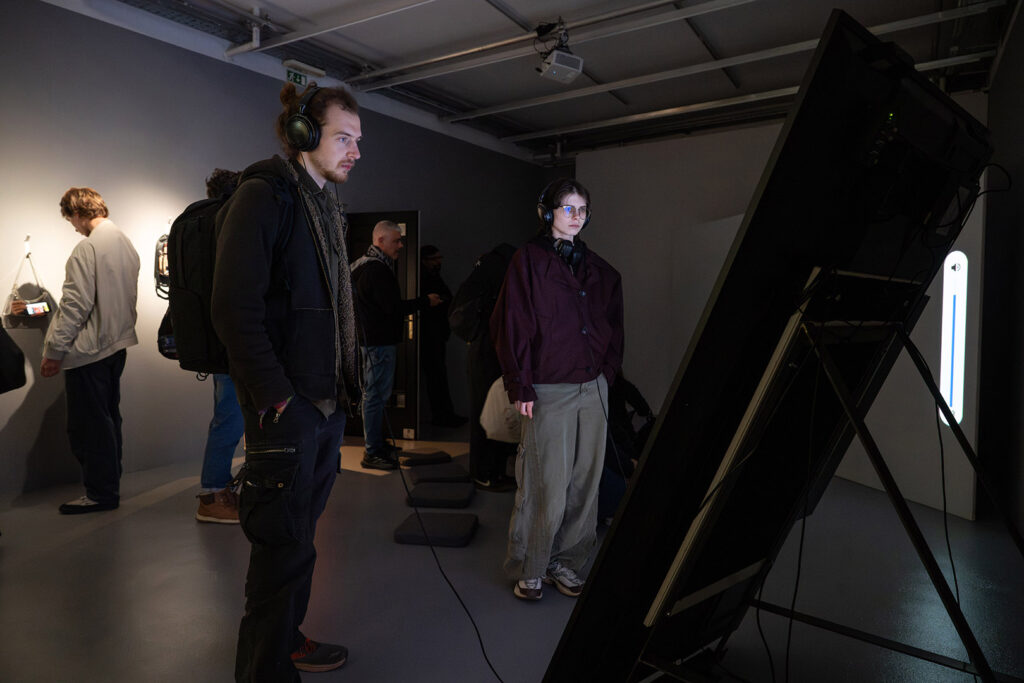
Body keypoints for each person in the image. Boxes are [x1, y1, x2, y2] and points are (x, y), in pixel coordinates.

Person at [211, 82, 360, 680]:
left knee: (298, 544)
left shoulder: (322, 207)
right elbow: (233, 309)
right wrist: (277, 397)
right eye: (344, 138)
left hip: (323, 408)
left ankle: (288, 642)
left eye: (358, 140)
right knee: (280, 554)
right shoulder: (264, 196)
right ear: (304, 134)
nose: (355, 151)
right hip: (288, 411)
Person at [490, 178, 624, 601]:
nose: (576, 216)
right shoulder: (528, 261)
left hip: (593, 388)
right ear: (548, 213)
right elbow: (512, 323)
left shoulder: (600, 269)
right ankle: (531, 566)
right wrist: (521, 384)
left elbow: (614, 325)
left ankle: (566, 561)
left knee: (585, 482)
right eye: (568, 208)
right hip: (549, 388)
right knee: (545, 482)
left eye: (582, 209)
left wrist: (607, 373)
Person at [38, 188, 139, 514]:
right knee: (108, 420)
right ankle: (108, 486)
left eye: (71, 219)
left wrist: (54, 351)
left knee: (89, 426)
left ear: (78, 212)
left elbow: (74, 306)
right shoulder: (124, 243)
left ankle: (100, 494)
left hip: (89, 351)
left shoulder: (88, 248)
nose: (73, 227)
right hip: (116, 346)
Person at [350, 221, 441, 470]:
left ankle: (378, 444)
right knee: (375, 397)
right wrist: (425, 302)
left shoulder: (360, 265)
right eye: (396, 240)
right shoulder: (377, 270)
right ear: (380, 240)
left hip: (368, 342)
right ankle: (372, 452)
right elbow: (392, 308)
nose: (400, 245)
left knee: (375, 395)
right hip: (378, 343)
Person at [448, 243, 518, 491]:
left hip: (486, 350)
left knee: (491, 411)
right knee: (488, 412)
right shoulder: (502, 270)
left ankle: (490, 472)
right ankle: (484, 473)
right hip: (489, 352)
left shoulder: (487, 271)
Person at [195, 168, 244, 524]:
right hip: (234, 340)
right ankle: (212, 494)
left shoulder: (204, 227)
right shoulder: (227, 226)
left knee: (229, 416)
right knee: (230, 417)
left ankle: (218, 489)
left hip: (218, 339)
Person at [418, 244, 466, 428]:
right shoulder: (425, 278)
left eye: (439, 258)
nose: (438, 262)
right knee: (436, 376)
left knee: (438, 375)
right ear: (425, 261)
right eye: (435, 259)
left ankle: (444, 414)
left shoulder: (433, 277)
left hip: (436, 333)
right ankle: (442, 415)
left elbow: (447, 298)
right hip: (430, 334)